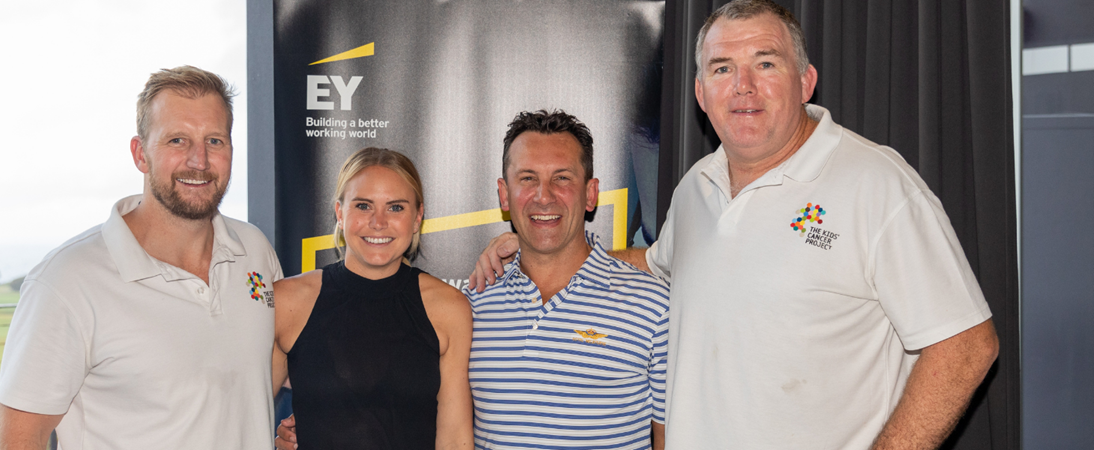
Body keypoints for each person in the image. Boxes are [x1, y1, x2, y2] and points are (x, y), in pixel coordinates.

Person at [470, 1, 1000, 449]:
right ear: (701, 94)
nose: (742, 86)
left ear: (806, 81)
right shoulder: (698, 185)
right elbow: (653, 264)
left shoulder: (877, 184)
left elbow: (967, 346)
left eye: (765, 63)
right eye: (722, 68)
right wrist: (539, 242)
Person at [0, 66, 283, 449]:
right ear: (140, 153)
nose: (199, 161)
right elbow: (17, 438)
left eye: (215, 141)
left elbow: (257, 379)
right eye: (177, 140)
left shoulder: (254, 250)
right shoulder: (68, 280)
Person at [467, 111, 669, 449]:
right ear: (504, 194)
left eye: (562, 178)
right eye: (527, 178)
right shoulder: (472, 304)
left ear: (591, 194)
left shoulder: (653, 306)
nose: (543, 196)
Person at [270, 147, 474, 449]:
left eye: (395, 208)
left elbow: (455, 439)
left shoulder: (448, 308)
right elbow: (242, 416)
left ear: (417, 217)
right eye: (363, 206)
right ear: (340, 212)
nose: (378, 222)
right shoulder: (288, 301)